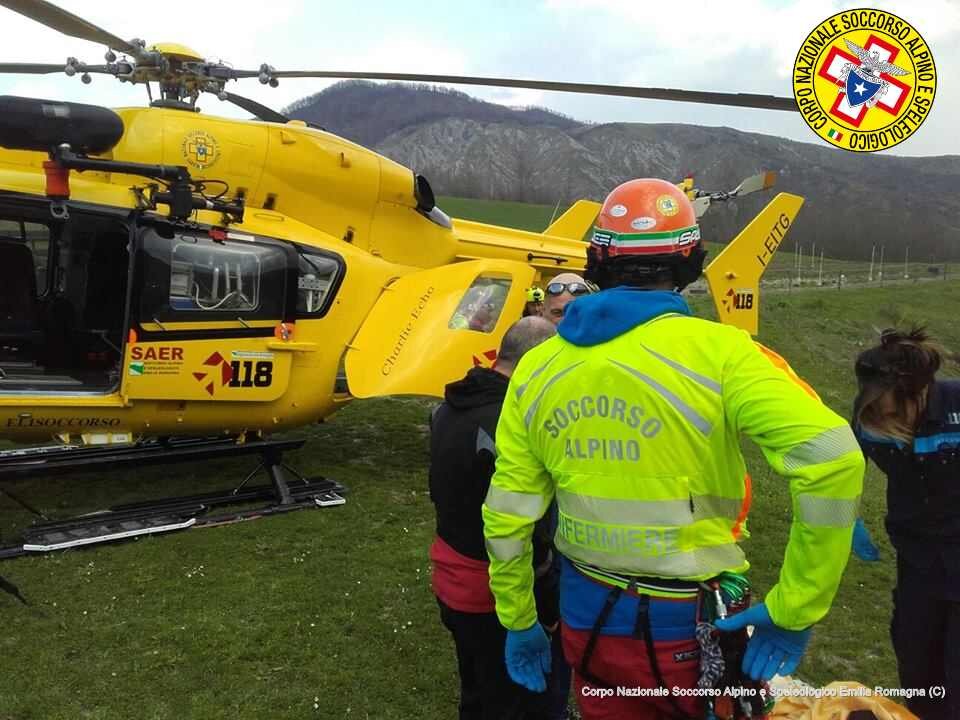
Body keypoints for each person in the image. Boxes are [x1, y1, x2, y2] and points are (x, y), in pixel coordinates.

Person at [482, 178, 865, 719]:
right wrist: (796, 606)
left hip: (585, 614)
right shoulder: (723, 354)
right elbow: (831, 458)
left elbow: (507, 514)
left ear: (596, 260)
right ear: (692, 261)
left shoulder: (537, 367)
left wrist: (519, 619)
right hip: (689, 626)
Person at [429, 315, 568, 720]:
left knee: (476, 689)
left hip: (450, 575)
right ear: (537, 363)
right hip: (498, 591)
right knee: (518, 699)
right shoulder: (510, 421)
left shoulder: (449, 406)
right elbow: (525, 523)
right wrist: (547, 603)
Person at [852, 327, 960, 720]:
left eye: (893, 414)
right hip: (917, 562)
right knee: (917, 669)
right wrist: (847, 518)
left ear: (920, 394)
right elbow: (844, 470)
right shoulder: (867, 414)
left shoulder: (956, 404)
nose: (882, 423)